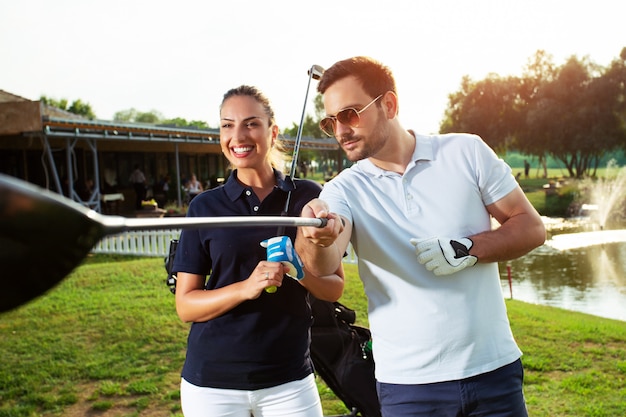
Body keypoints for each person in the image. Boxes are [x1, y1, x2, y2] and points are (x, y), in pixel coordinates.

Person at [296, 56, 546, 417]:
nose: (340, 131)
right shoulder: (342, 190)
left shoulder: (467, 152)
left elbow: (530, 226)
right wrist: (314, 237)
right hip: (408, 387)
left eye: (349, 114)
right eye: (330, 121)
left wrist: (467, 248)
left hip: (493, 371)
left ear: (389, 104)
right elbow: (325, 261)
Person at [171, 85, 344, 417]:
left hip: (289, 380)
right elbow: (186, 305)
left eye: (251, 123)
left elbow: (334, 288)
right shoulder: (204, 207)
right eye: (227, 124)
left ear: (272, 131)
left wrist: (298, 269)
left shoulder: (308, 197)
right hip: (211, 385)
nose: (238, 135)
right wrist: (245, 288)